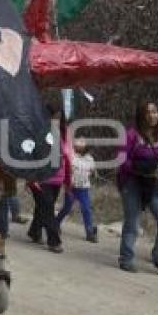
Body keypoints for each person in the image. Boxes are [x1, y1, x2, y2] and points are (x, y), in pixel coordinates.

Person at [116, 101, 158, 274]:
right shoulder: (130, 135)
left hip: (155, 184)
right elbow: (121, 160)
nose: (152, 115)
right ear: (141, 115)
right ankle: (126, 259)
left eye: (155, 111)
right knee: (133, 222)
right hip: (132, 183)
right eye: (148, 112)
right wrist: (141, 168)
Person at [27, 102, 69, 254]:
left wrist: (68, 181)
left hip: (58, 178)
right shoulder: (38, 132)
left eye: (58, 116)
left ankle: (34, 231)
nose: (56, 120)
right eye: (53, 117)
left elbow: (68, 157)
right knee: (48, 207)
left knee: (43, 207)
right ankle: (54, 240)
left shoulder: (64, 133)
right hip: (41, 178)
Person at [56, 138, 98, 243]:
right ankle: (56, 224)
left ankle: (90, 233)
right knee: (67, 208)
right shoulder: (71, 157)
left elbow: (93, 170)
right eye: (78, 145)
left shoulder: (89, 159)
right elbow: (66, 170)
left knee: (86, 209)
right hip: (71, 187)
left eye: (83, 146)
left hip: (83, 188)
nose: (80, 147)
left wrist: (94, 173)